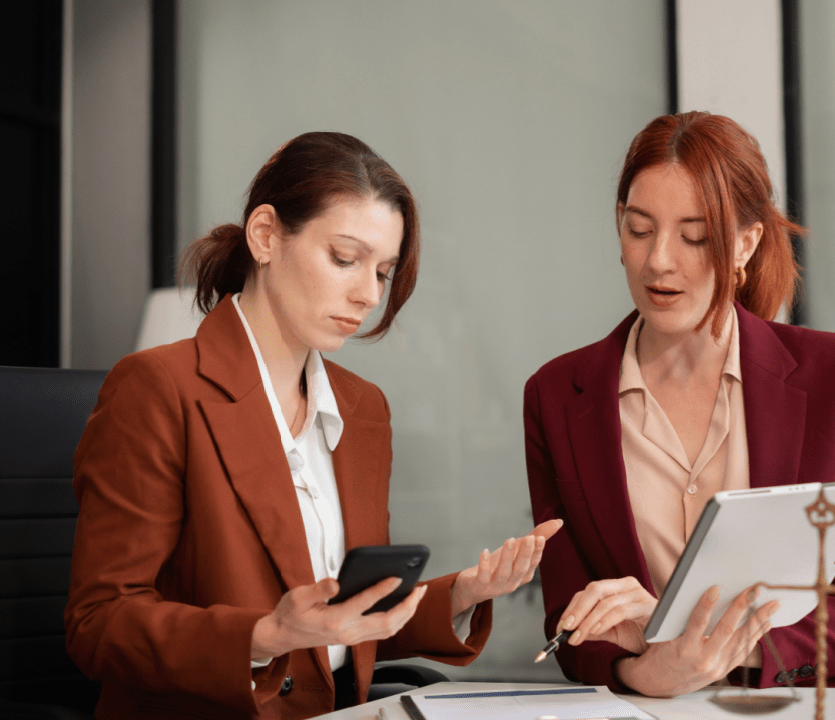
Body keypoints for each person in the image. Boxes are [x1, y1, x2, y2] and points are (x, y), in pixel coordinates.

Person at [65, 131, 561, 720]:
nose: (368, 295)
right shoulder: (159, 388)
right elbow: (99, 623)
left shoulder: (363, 407)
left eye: (383, 272)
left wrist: (461, 594)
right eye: (345, 259)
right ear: (265, 235)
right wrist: (265, 637)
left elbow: (342, 628)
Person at [523, 112, 835, 697]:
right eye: (639, 229)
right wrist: (641, 672)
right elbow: (572, 617)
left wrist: (714, 652)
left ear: (746, 243)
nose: (659, 260)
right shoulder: (557, 396)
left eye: (694, 236)